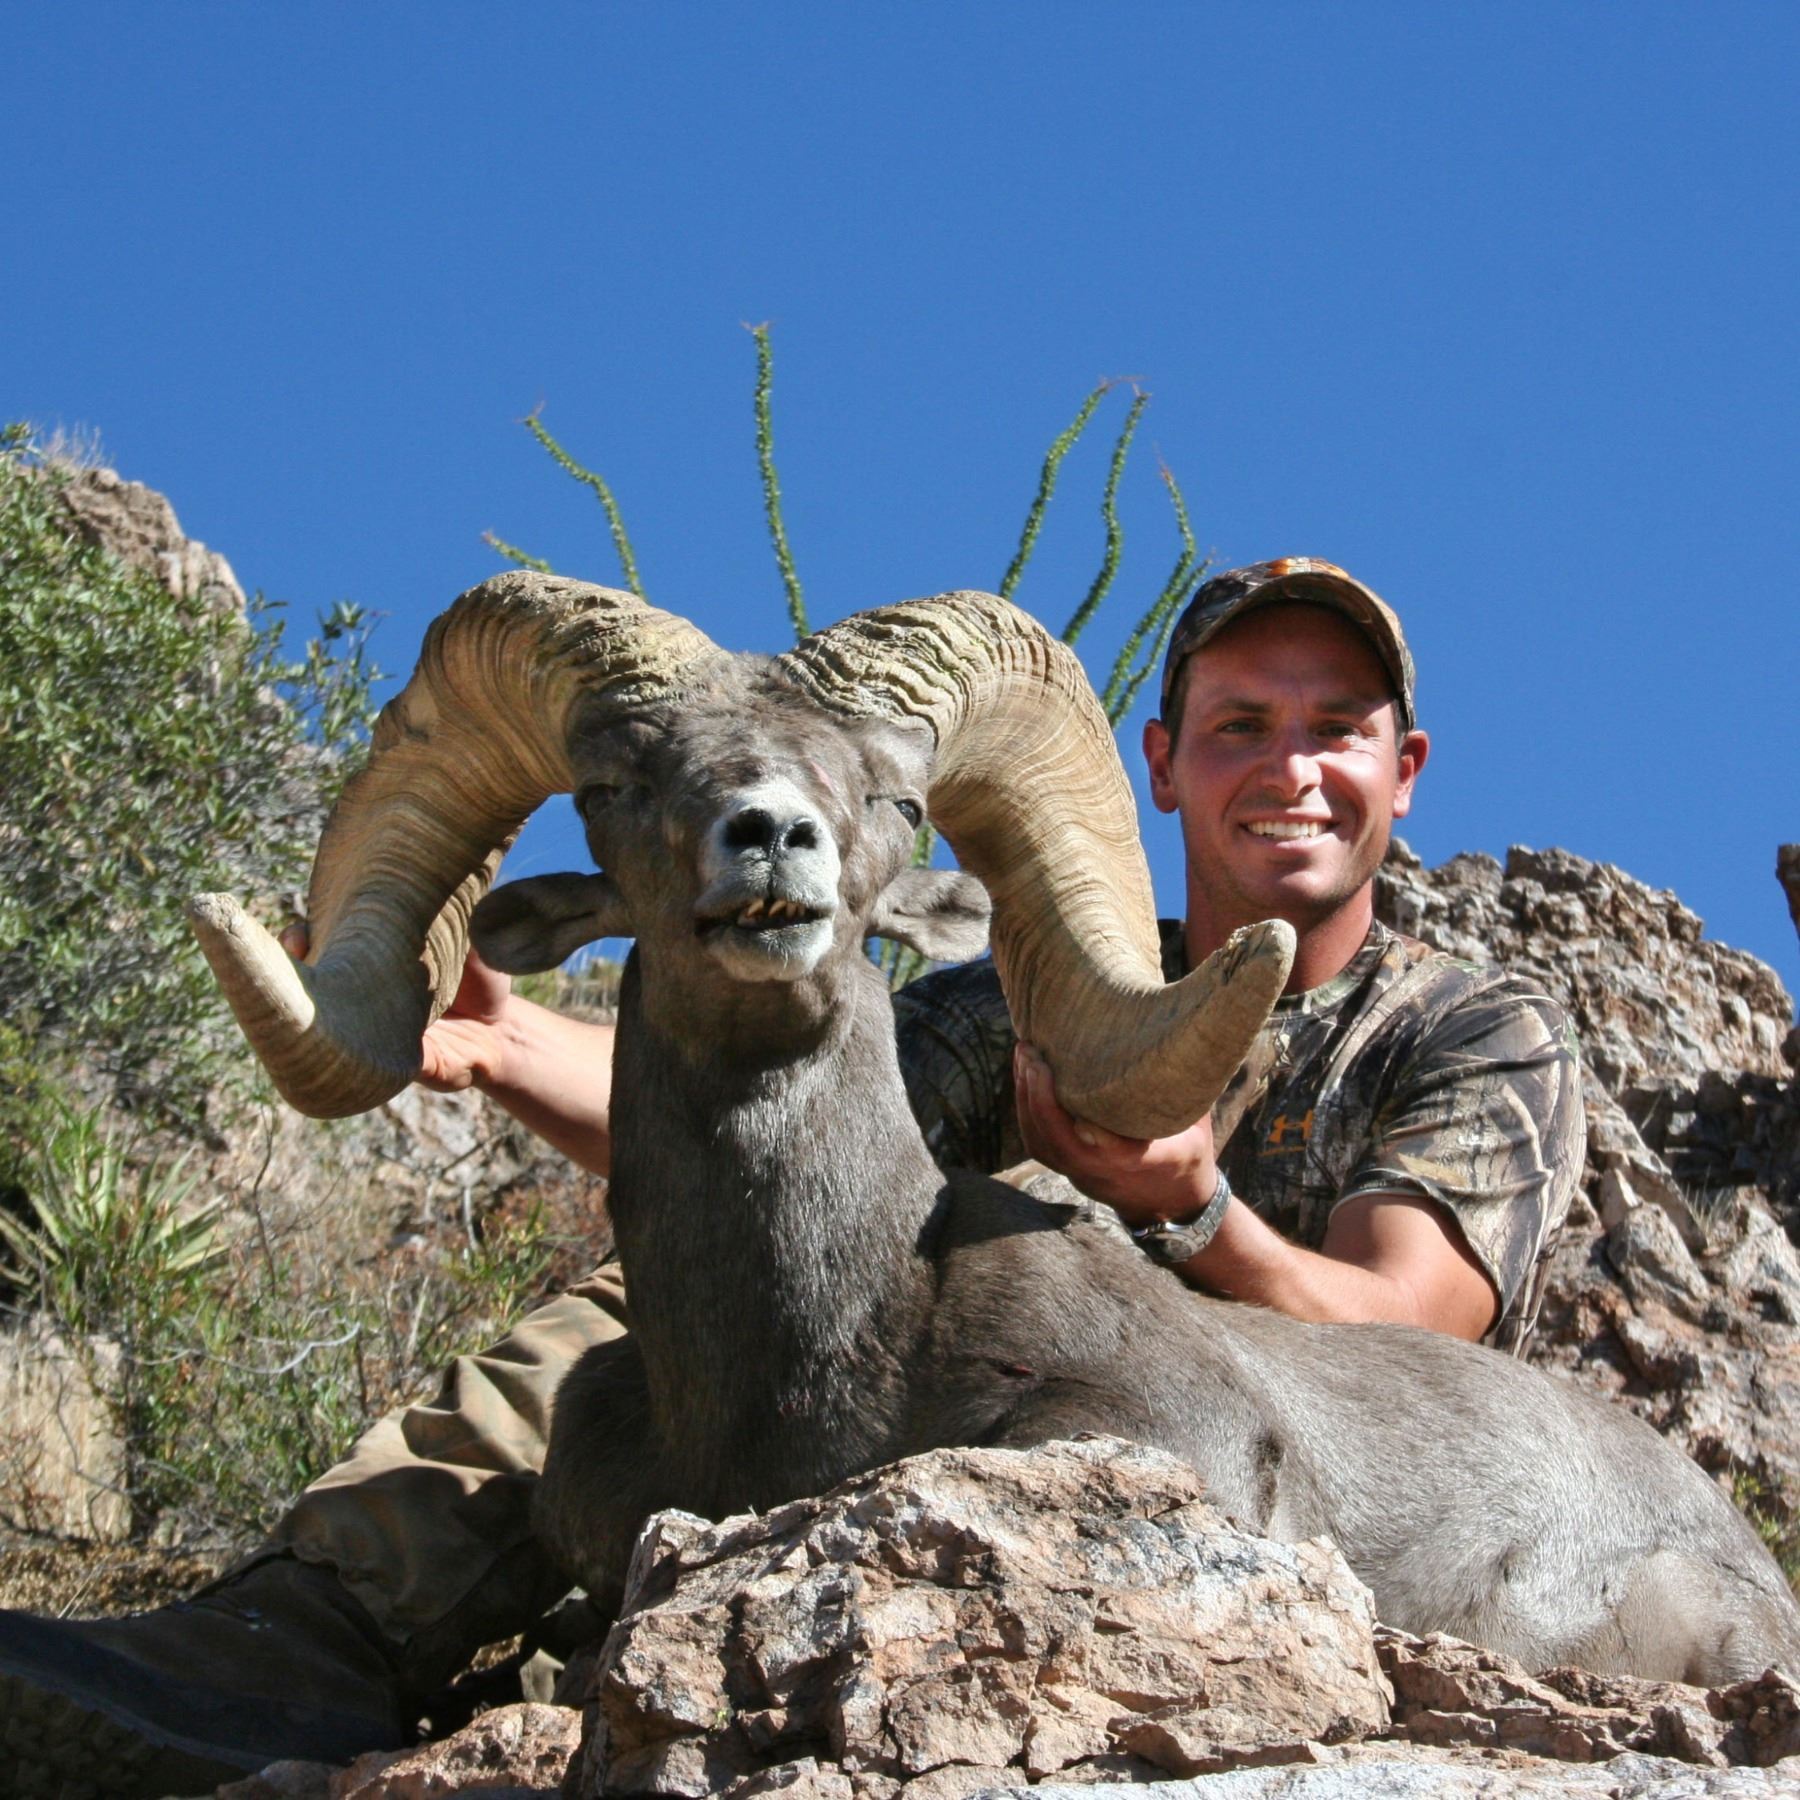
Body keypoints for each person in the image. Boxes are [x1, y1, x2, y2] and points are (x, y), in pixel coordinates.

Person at [0, 558, 1584, 1793]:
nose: (1290, 765)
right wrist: (495, 1039)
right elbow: (781, 1173)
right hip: (878, 1400)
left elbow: (1419, 1320)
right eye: (1242, 725)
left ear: (1404, 768)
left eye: (1333, 729)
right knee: (621, 1327)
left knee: (1022, 1246)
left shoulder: (1471, 1026)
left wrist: (1193, 1208)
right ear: (1162, 764)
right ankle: (299, 1636)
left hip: (1334, 1456)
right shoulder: (1006, 1003)